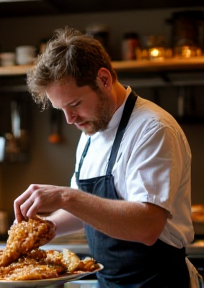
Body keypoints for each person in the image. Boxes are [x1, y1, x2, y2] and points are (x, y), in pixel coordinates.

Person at [14, 27, 194, 287]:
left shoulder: (153, 129)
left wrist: (65, 196)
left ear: (104, 79)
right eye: (61, 109)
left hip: (157, 282)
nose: (69, 119)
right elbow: (87, 210)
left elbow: (147, 226)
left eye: (74, 104)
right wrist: (45, 229)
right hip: (108, 282)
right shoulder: (90, 131)